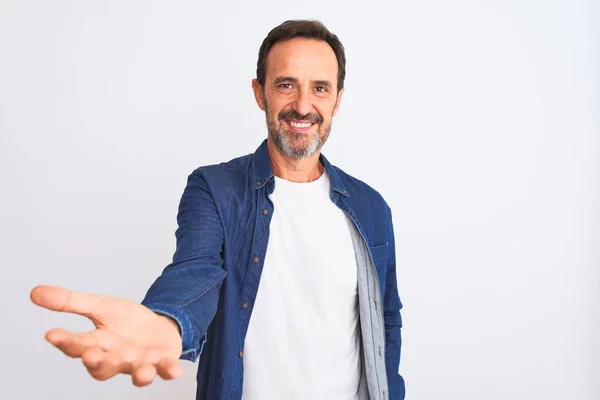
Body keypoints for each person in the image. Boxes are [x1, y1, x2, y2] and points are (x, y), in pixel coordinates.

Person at [30, 19, 405, 400]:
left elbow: (385, 319)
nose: (303, 106)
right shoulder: (214, 188)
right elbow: (195, 271)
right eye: (286, 84)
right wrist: (166, 323)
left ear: (337, 99)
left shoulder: (371, 208)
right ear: (260, 93)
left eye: (320, 88)